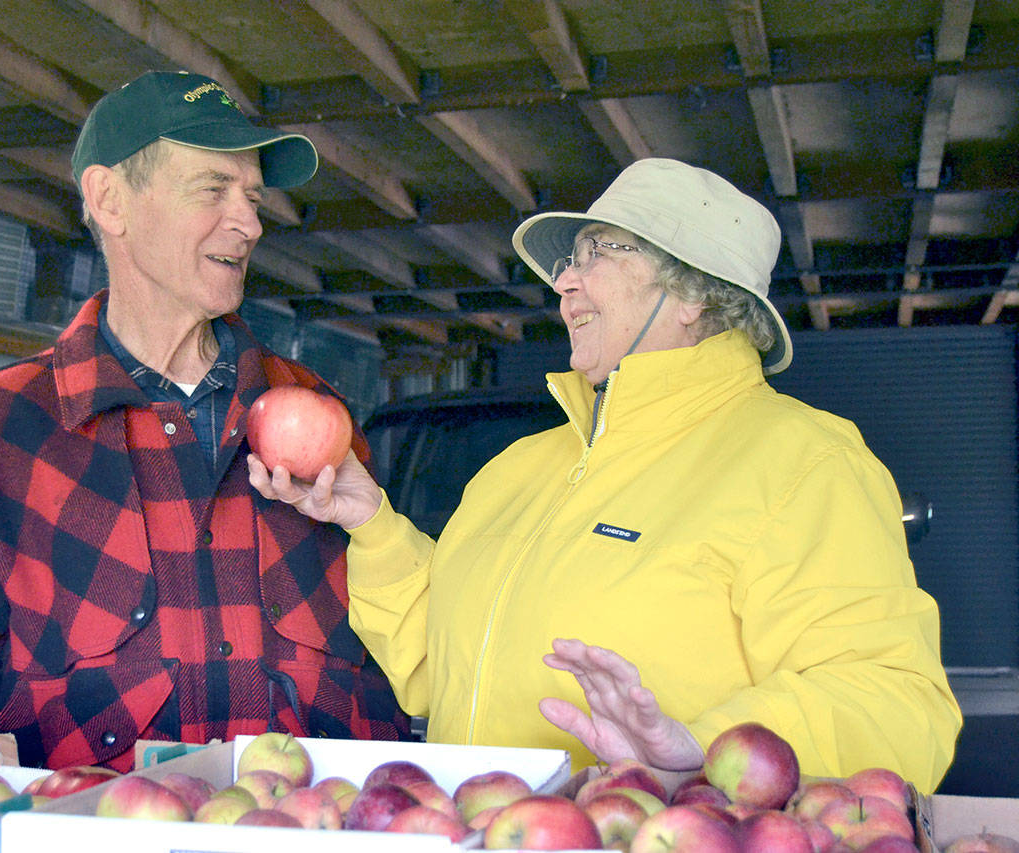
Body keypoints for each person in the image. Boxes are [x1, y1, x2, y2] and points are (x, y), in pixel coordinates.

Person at [249, 158, 962, 793]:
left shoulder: (804, 462)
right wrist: (371, 523)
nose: (563, 283)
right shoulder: (519, 468)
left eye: (600, 254)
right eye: (570, 261)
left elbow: (899, 705)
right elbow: (435, 667)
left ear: (697, 296)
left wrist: (705, 745)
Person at [0, 70, 409, 770]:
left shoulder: (320, 409)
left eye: (252, 197)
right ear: (109, 200)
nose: (249, 222)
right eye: (213, 189)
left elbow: (397, 653)